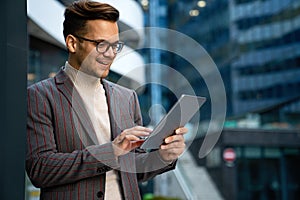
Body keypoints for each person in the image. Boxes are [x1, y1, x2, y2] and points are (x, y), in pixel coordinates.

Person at [26, 1, 187, 199]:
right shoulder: (40, 96)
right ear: (72, 43)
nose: (110, 54)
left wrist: (164, 156)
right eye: (101, 44)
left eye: (115, 46)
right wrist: (111, 151)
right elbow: (40, 169)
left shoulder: (127, 98)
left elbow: (133, 170)